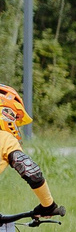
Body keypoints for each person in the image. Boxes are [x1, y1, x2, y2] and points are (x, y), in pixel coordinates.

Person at [0, 83, 63, 220]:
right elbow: (30, 170)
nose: (16, 125)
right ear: (5, 113)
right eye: (16, 118)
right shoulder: (4, 138)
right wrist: (48, 205)